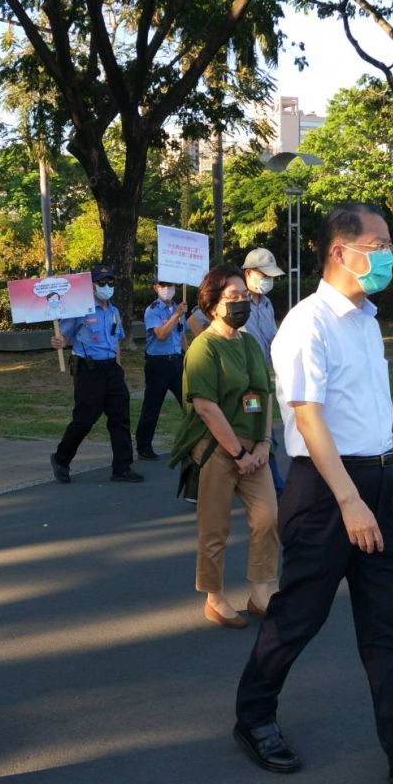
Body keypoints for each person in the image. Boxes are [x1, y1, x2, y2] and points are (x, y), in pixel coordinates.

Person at [233, 203, 393, 784]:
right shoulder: (306, 323)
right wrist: (348, 500)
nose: (391, 254)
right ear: (341, 252)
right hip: (327, 491)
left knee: (391, 618)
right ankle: (254, 716)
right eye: (381, 244)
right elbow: (308, 418)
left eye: (391, 244)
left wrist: (372, 492)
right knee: (299, 616)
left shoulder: (366, 320)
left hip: (378, 483)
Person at [171, 265, 278, 629]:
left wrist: (263, 443)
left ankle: (261, 593)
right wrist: (238, 454)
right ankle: (214, 598)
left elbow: (264, 394)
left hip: (256, 450)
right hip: (217, 450)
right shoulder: (204, 348)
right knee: (214, 529)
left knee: (268, 518)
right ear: (213, 304)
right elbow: (206, 407)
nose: (241, 304)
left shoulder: (249, 343)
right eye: (233, 298)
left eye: (244, 297)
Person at [187, 248, 286, 494]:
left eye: (272, 276)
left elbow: (271, 338)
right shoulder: (225, 298)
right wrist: (215, 348)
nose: (269, 281)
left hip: (257, 376)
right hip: (230, 379)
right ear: (249, 273)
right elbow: (194, 318)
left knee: (261, 431)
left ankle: (263, 484)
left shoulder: (265, 303)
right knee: (225, 435)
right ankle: (271, 487)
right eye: (265, 275)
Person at [49, 265, 144, 484]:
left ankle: (122, 467)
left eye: (110, 282)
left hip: (111, 369)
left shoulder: (114, 311)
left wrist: (119, 369)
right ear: (91, 286)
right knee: (84, 419)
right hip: (88, 370)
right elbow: (62, 335)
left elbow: (116, 340)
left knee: (120, 417)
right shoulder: (80, 309)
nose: (107, 287)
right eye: (102, 283)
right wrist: (59, 341)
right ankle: (61, 459)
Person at [134, 281, 187, 460]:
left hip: (177, 361)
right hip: (158, 364)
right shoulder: (153, 310)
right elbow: (161, 335)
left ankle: (194, 439)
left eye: (170, 285)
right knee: (152, 405)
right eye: (163, 286)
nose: (167, 290)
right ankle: (144, 446)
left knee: (190, 401)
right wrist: (176, 315)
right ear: (155, 287)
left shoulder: (180, 308)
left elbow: (182, 335)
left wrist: (188, 356)